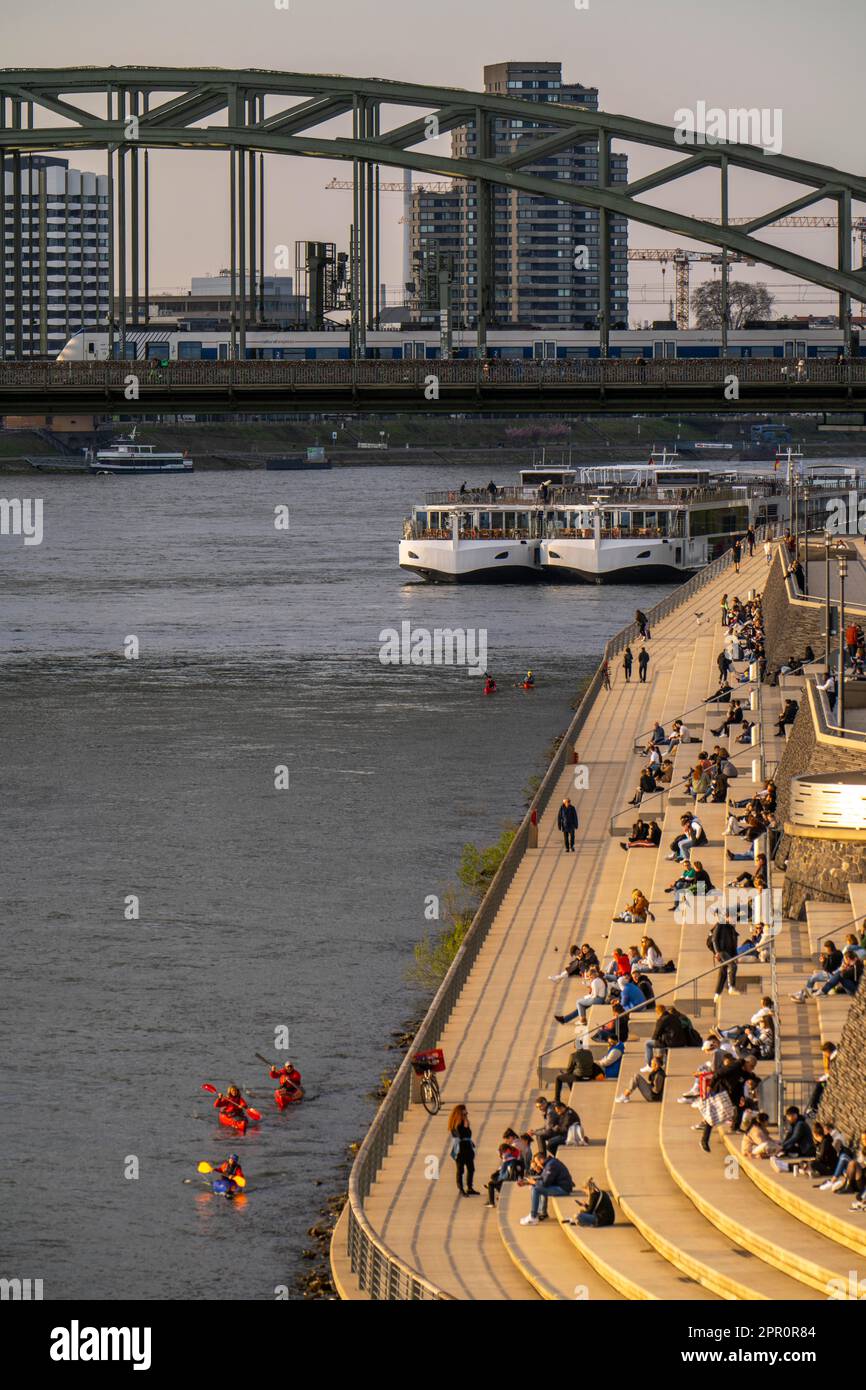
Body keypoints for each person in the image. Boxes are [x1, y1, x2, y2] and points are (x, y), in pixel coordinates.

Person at [520, 1151, 574, 1225]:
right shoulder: (549, 1163)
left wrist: (534, 1182)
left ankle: (533, 1217)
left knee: (536, 1189)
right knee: (535, 1187)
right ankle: (541, 1212)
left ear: (541, 1159)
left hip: (563, 1189)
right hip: (559, 1186)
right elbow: (543, 1178)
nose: (537, 1165)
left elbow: (545, 1183)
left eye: (537, 1162)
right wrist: (527, 1183)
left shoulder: (551, 1165)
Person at [485, 1130, 524, 1207]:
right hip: (510, 1175)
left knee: (492, 1183)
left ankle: (492, 1202)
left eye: (503, 1153)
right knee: (494, 1178)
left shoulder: (514, 1150)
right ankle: (496, 1196)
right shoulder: (510, 1156)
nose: (502, 1155)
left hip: (510, 1178)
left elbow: (511, 1174)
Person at [771, 1107, 816, 1171]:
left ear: (795, 1115)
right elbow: (788, 1136)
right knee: (785, 1148)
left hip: (806, 1150)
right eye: (787, 1116)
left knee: (788, 1148)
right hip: (801, 1149)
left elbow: (795, 1138)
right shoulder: (794, 1124)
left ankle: (782, 1164)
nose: (788, 1118)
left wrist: (782, 1146)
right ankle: (779, 1159)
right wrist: (782, 1144)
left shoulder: (800, 1124)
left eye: (789, 1116)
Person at [447, 1103, 478, 1196]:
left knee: (471, 1168)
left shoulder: (465, 1123)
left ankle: (470, 1187)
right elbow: (459, 1135)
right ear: (459, 1114)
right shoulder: (455, 1125)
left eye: (466, 1114)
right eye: (464, 1114)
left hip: (468, 1147)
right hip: (460, 1150)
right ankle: (461, 1189)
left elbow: (469, 1134)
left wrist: (466, 1124)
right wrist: (465, 1125)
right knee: (460, 1170)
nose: (466, 1116)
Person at [711, 916, 741, 1000]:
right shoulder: (720, 924)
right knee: (733, 966)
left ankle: (717, 995)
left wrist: (736, 956)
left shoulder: (732, 929)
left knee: (723, 973)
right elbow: (714, 939)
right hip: (722, 951)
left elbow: (734, 944)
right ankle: (731, 987)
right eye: (732, 918)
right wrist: (717, 952)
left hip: (729, 953)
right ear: (727, 917)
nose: (734, 920)